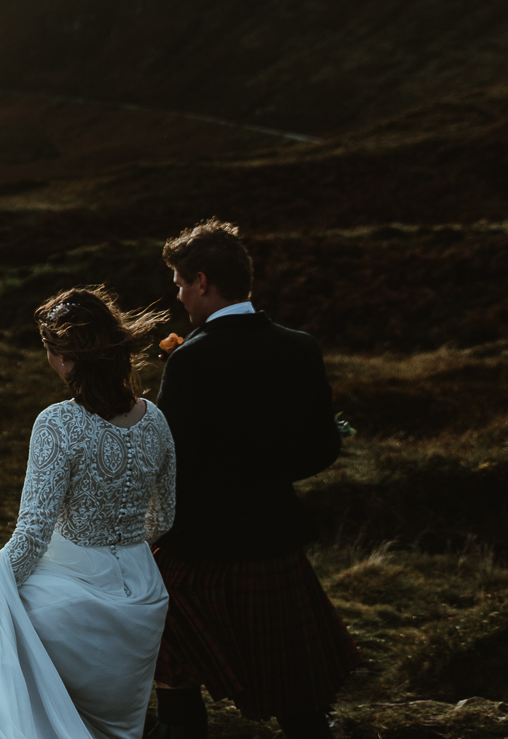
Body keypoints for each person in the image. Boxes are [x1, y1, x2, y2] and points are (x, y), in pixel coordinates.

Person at [0, 286, 178, 739]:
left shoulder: (58, 422)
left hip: (74, 609)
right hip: (142, 606)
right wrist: (123, 543)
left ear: (67, 359)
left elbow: (32, 536)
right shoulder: (156, 420)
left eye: (50, 350)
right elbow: (164, 519)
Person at [149, 219, 361, 739]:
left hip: (201, 550)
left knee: (166, 650)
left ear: (202, 282)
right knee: (295, 685)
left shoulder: (191, 360)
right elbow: (322, 447)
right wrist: (263, 472)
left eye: (179, 284)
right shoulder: (300, 347)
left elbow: (167, 461)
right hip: (274, 540)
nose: (178, 297)